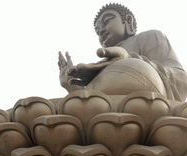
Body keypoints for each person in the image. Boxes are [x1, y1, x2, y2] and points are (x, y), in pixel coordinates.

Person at [58, 3, 187, 102]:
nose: (101, 31)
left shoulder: (150, 37)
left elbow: (181, 79)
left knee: (136, 68)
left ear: (128, 21)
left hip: (150, 99)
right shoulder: (102, 63)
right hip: (104, 107)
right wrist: (73, 87)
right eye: (97, 31)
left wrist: (128, 59)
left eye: (107, 21)